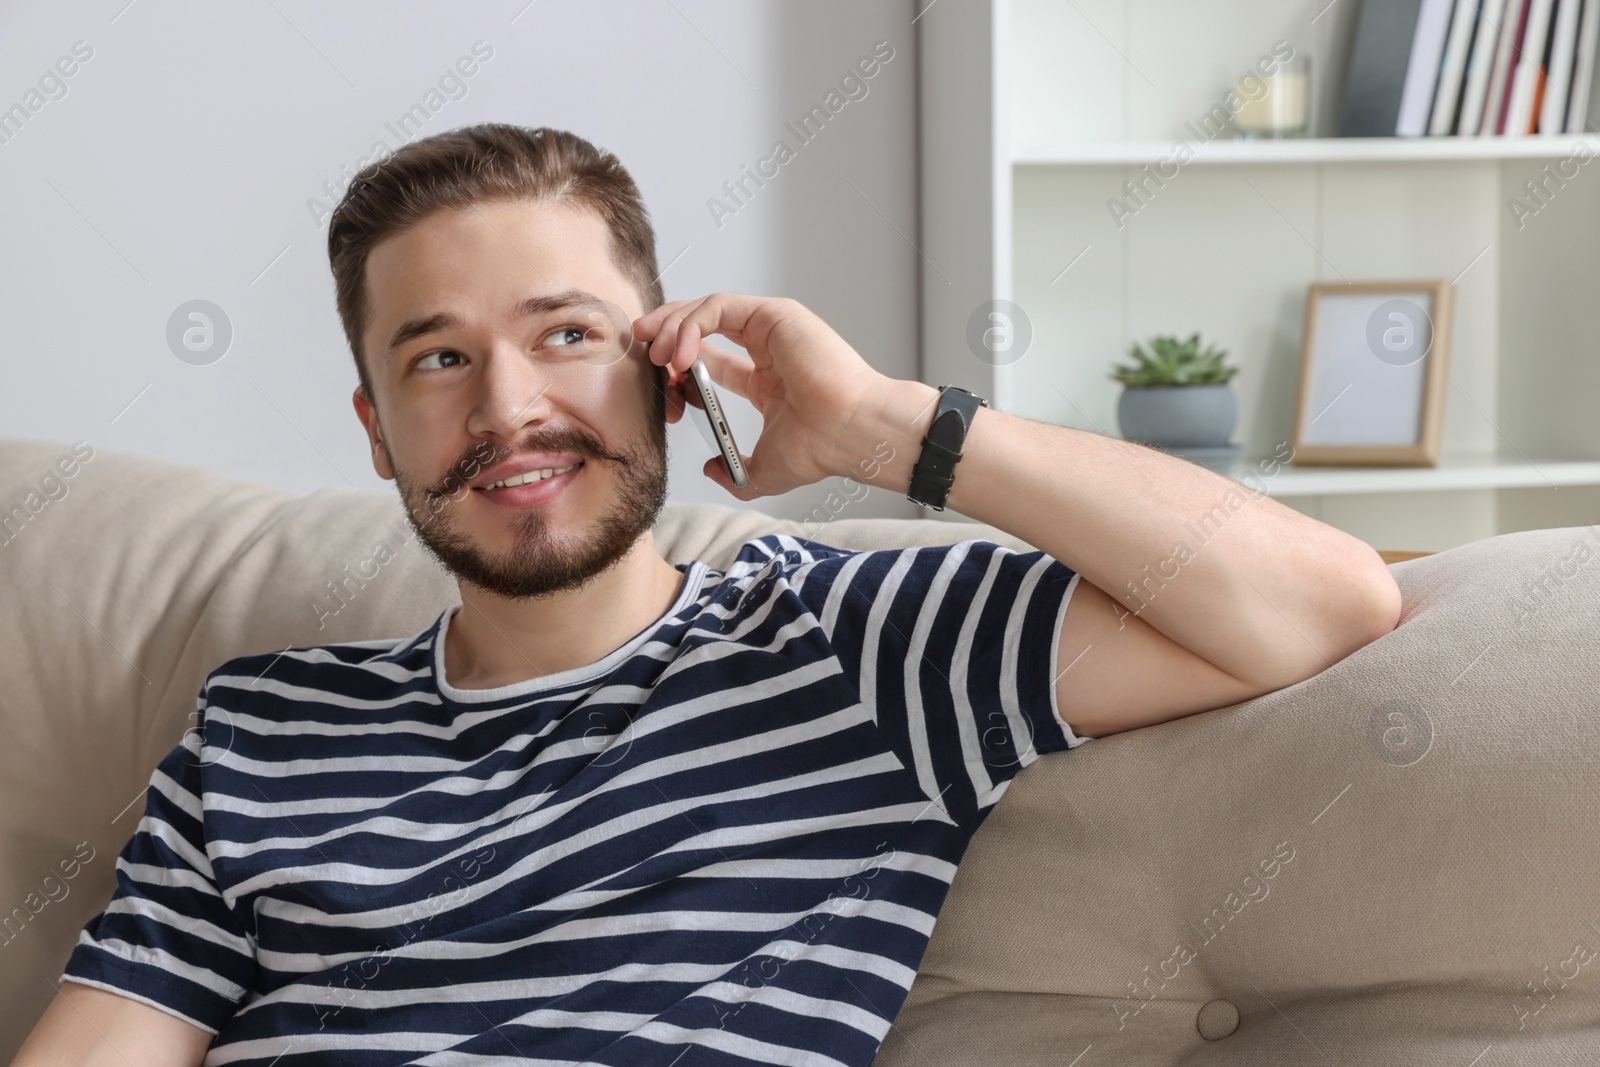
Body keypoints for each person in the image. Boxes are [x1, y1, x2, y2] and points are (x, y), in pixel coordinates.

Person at [13, 123, 1400, 1067]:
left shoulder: (847, 649)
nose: (510, 409)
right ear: (378, 430)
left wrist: (884, 428)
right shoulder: (263, 728)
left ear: (667, 375)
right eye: (437, 361)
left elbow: (1320, 604)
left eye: (566, 335)